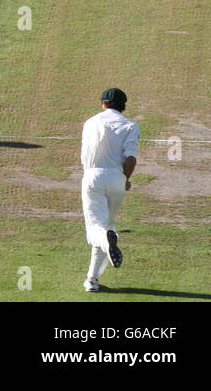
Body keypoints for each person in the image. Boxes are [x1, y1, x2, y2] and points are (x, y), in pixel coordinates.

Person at [80, 87, 139, 292]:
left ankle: (107, 243)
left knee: (96, 230)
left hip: (92, 176)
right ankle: (92, 279)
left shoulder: (90, 123)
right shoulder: (131, 126)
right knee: (107, 227)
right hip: (117, 179)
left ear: (103, 103)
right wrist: (124, 179)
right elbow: (131, 158)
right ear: (123, 106)